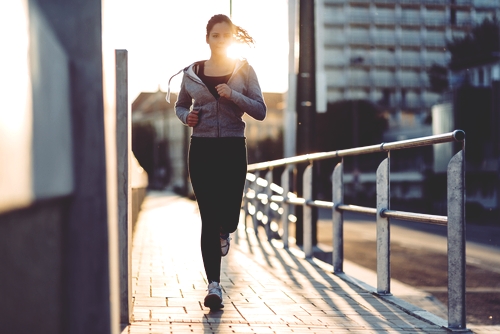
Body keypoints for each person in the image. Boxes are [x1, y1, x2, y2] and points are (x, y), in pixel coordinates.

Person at [173, 14, 266, 310]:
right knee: (208, 217)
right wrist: (185, 117)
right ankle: (214, 285)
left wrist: (234, 95)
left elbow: (261, 110)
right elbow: (180, 105)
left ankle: (226, 230)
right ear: (208, 38)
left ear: (232, 38)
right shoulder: (192, 72)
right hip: (200, 148)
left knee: (229, 216)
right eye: (216, 35)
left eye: (226, 35)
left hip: (232, 147)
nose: (220, 39)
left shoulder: (244, 70)